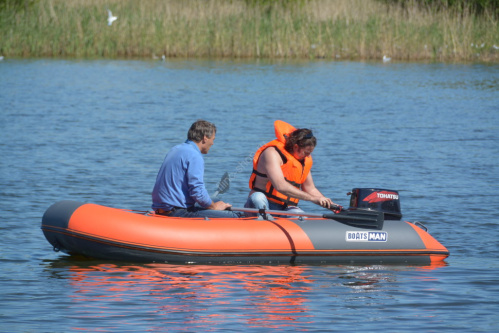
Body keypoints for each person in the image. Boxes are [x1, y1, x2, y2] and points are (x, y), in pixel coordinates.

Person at [245, 120, 339, 215]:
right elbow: (280, 186)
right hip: (264, 204)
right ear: (295, 147)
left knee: (300, 215)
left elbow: (310, 189)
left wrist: (333, 206)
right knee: (258, 197)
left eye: (309, 153)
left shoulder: (303, 160)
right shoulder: (272, 153)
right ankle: (262, 222)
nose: (307, 156)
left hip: (286, 208)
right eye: (306, 153)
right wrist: (313, 198)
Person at [152, 120, 241, 218]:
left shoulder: (176, 149)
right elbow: (197, 192)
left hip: (163, 207)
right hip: (177, 212)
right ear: (205, 138)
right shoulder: (194, 156)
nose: (213, 143)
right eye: (213, 139)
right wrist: (214, 207)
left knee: (215, 201)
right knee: (234, 216)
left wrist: (213, 204)